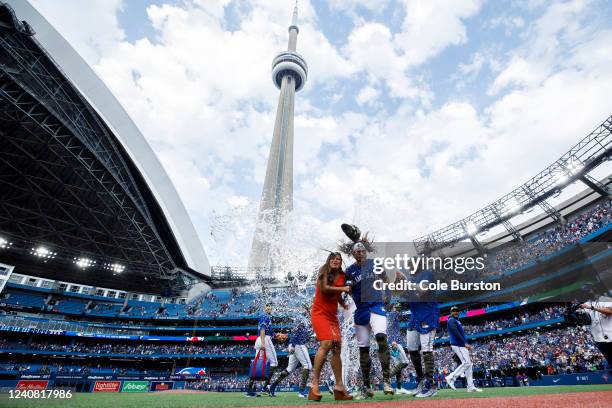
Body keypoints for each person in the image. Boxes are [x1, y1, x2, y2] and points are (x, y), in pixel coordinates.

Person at [344, 242, 395, 397]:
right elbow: (348, 290)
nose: (360, 253)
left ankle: (387, 381)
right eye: (357, 251)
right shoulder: (349, 271)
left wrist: (388, 295)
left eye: (362, 251)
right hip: (361, 311)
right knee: (363, 349)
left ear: (366, 252)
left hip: (377, 307)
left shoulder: (376, 263)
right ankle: (366, 385)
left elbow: (385, 279)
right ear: (353, 254)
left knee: (381, 338)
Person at [308, 252, 353, 401]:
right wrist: (344, 289)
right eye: (333, 258)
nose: (336, 260)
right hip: (319, 313)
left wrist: (342, 303)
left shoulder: (342, 275)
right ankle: (314, 383)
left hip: (332, 316)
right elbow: (325, 289)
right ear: (329, 260)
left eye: (339, 259)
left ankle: (339, 386)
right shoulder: (324, 270)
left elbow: (337, 293)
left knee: (337, 347)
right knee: (326, 343)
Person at [406, 269, 440, 398]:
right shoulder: (410, 279)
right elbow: (403, 294)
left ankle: (430, 386)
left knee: (426, 349)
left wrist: (406, 284)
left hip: (428, 314)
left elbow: (423, 290)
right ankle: (421, 380)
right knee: (411, 348)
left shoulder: (427, 274)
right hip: (414, 317)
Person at [269, 304, 313, 397]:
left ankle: (273, 386)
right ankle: (301, 391)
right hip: (298, 344)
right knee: (308, 365)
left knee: (289, 369)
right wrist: (292, 345)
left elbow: (303, 334)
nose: (311, 310)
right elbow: (295, 331)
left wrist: (291, 345)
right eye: (310, 308)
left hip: (295, 345)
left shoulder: (306, 319)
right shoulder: (302, 318)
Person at [246, 303, 284, 397]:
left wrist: (277, 335)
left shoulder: (266, 318)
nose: (269, 308)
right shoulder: (265, 316)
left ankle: (249, 390)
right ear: (264, 308)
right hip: (264, 340)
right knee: (274, 363)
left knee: (255, 365)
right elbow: (263, 330)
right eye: (267, 306)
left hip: (260, 340)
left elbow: (269, 332)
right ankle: (265, 387)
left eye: (270, 307)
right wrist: (263, 343)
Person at [445, 306, 482, 392]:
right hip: (458, 344)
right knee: (466, 363)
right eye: (453, 311)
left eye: (457, 311)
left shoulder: (457, 320)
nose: (455, 312)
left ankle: (470, 386)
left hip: (461, 344)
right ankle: (451, 377)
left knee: (469, 365)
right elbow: (456, 333)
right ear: (451, 312)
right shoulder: (451, 320)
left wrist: (465, 344)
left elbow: (460, 334)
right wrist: (464, 343)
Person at [579, 298, 612, 367]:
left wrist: (591, 308)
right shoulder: (585, 304)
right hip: (599, 340)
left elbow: (609, 311)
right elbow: (582, 318)